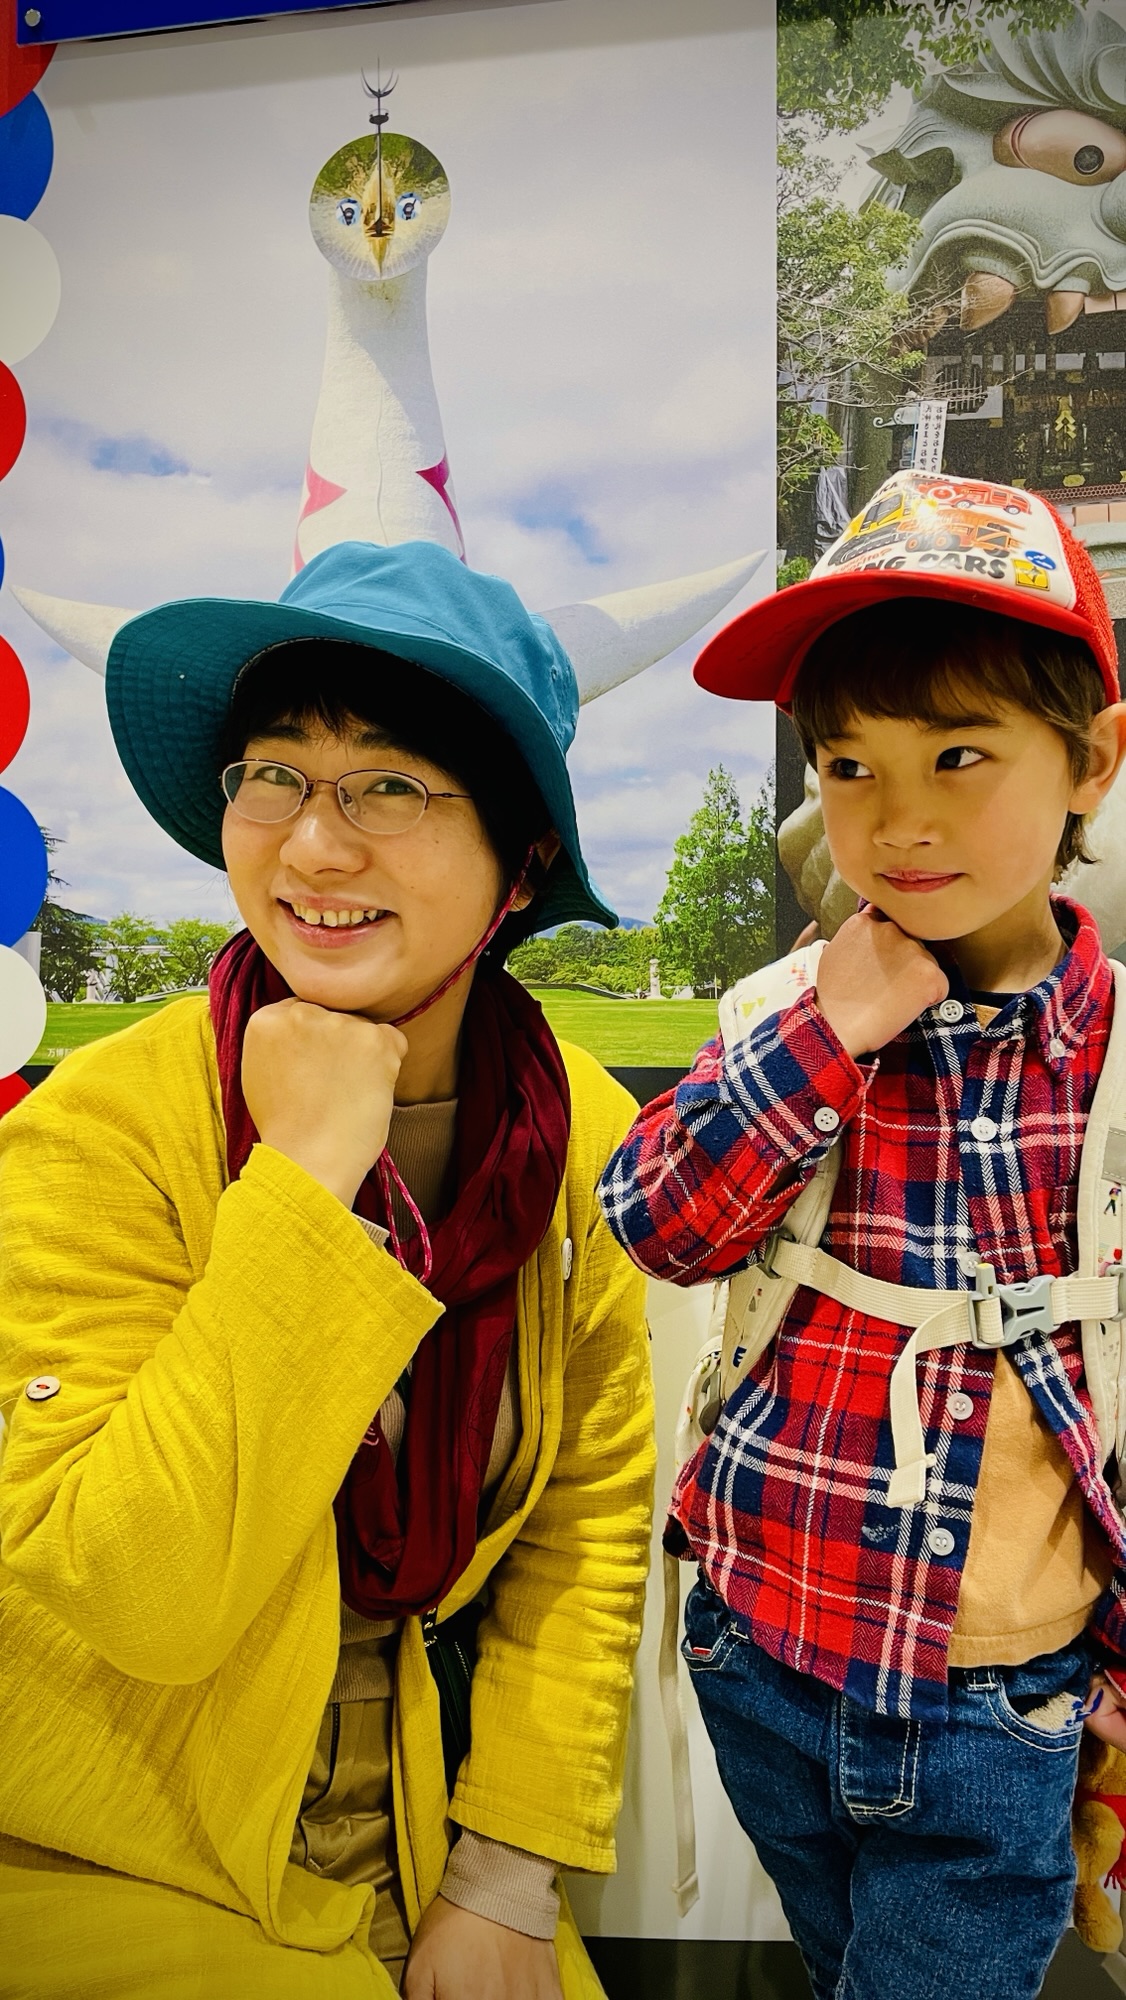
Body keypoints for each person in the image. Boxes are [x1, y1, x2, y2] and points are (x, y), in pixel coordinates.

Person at [0, 539, 655, 2000]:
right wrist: (300, 1175)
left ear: (522, 863)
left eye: (390, 786)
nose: (310, 849)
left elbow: (584, 1521)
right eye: (274, 776)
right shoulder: (105, 1127)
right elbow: (140, 1599)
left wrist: (504, 1876)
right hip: (109, 1834)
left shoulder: (577, 1139)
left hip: (415, 1833)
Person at [598, 470, 1126, 2000]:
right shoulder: (781, 1013)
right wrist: (825, 1034)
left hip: (997, 1695)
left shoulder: (1112, 1055)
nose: (895, 819)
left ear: (1090, 760)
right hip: (763, 1649)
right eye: (846, 763)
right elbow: (657, 1224)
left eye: (958, 753)